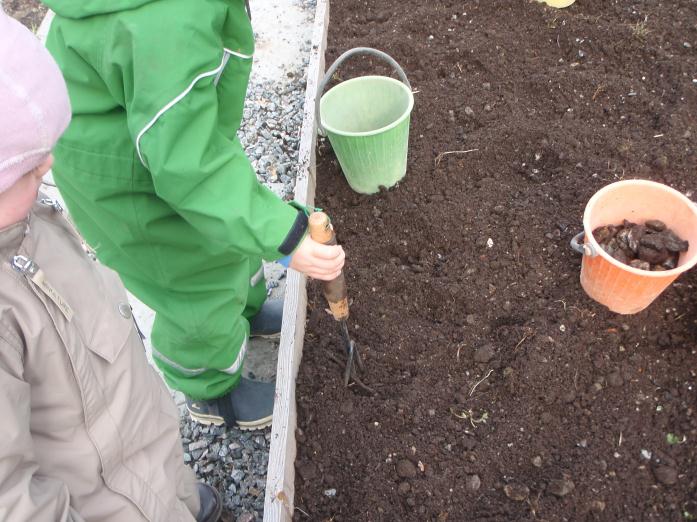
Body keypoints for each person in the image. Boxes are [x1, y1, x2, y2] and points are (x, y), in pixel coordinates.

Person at [40, 0, 345, 430]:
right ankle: (213, 393)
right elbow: (191, 169)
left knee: (224, 229)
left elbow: (192, 152)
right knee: (193, 283)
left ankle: (245, 311)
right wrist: (288, 235)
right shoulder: (161, 25)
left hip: (157, 140)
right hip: (129, 183)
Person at [0, 11, 222, 521]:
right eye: (24, 167)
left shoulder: (23, 221)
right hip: (104, 501)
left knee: (171, 478)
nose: (48, 166)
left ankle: (179, 499)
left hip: (135, 435)